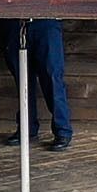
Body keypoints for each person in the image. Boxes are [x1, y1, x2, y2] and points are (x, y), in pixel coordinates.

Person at [22, 18, 71, 152]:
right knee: (22, 76)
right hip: (17, 20)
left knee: (53, 76)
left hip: (46, 19)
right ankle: (26, 128)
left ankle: (63, 131)